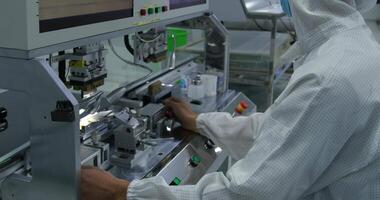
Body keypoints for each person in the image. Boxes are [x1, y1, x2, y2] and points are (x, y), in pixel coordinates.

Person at [81, 0, 380, 199]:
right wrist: (200, 120)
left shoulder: (328, 77)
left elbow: (246, 194)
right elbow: (281, 130)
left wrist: (121, 191)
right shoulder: (356, 49)